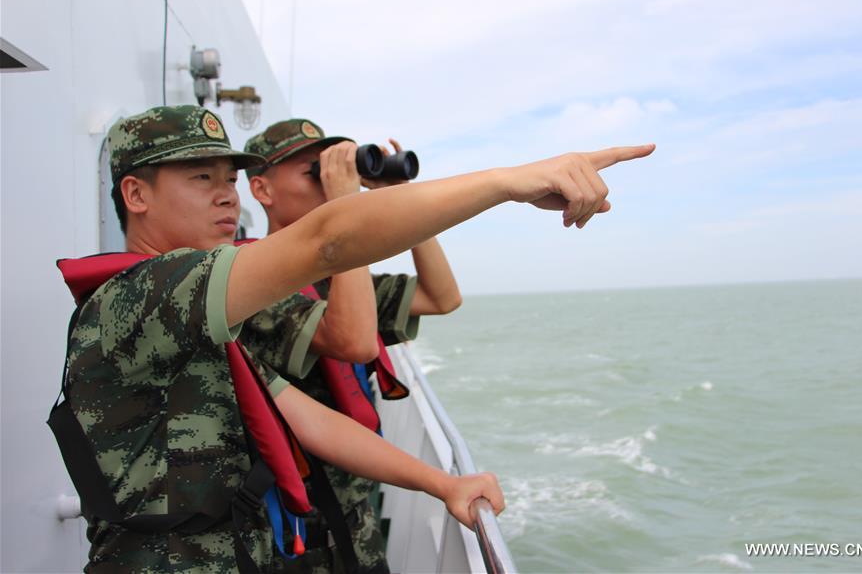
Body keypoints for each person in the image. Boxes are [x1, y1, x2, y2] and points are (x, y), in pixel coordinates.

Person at [57, 104, 654, 572]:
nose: (226, 195)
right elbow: (329, 242)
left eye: (229, 179)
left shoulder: (194, 313)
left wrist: (443, 482)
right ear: (136, 196)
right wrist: (507, 181)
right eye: (200, 178)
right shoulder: (139, 297)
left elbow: (306, 417)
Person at [240, 119, 461, 573]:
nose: (327, 182)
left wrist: (403, 200)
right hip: (294, 526)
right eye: (312, 171)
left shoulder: (338, 279)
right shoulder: (248, 284)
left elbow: (443, 297)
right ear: (262, 190)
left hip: (356, 511)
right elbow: (354, 341)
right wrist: (346, 211)